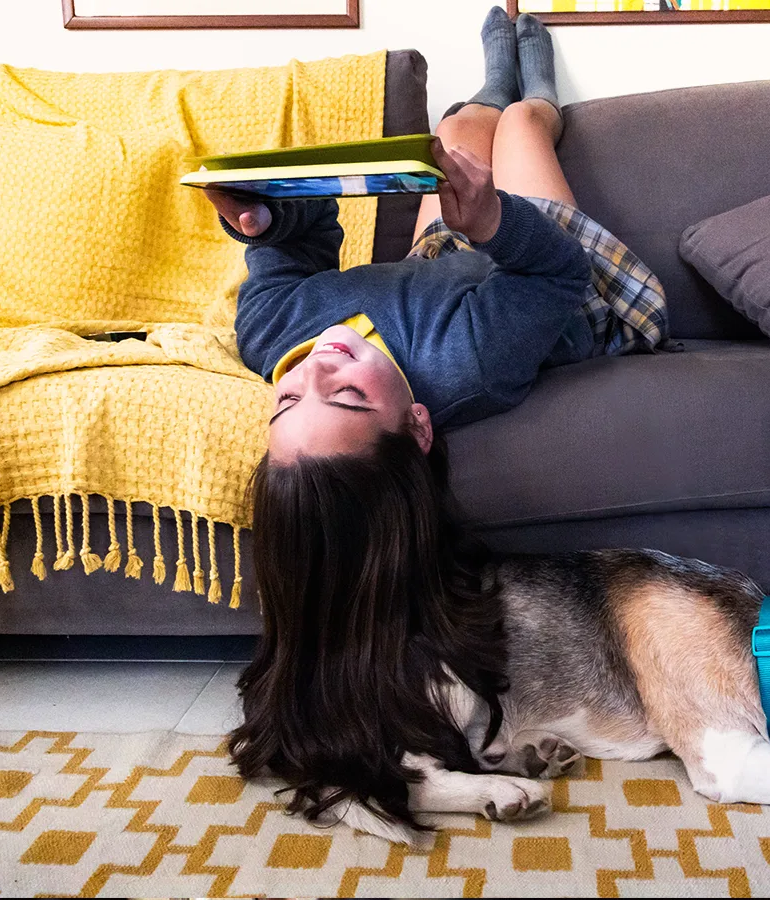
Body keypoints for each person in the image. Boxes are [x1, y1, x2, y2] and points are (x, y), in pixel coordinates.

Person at [215, 8, 669, 831]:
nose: (318, 364)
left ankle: (483, 92)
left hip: (436, 272)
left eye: (288, 399)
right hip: (556, 286)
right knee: (523, 132)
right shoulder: (472, 363)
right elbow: (551, 276)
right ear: (419, 426)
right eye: (346, 397)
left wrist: (267, 217)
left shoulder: (271, 337)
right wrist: (493, 225)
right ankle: (532, 90)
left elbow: (295, 260)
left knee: (458, 129)